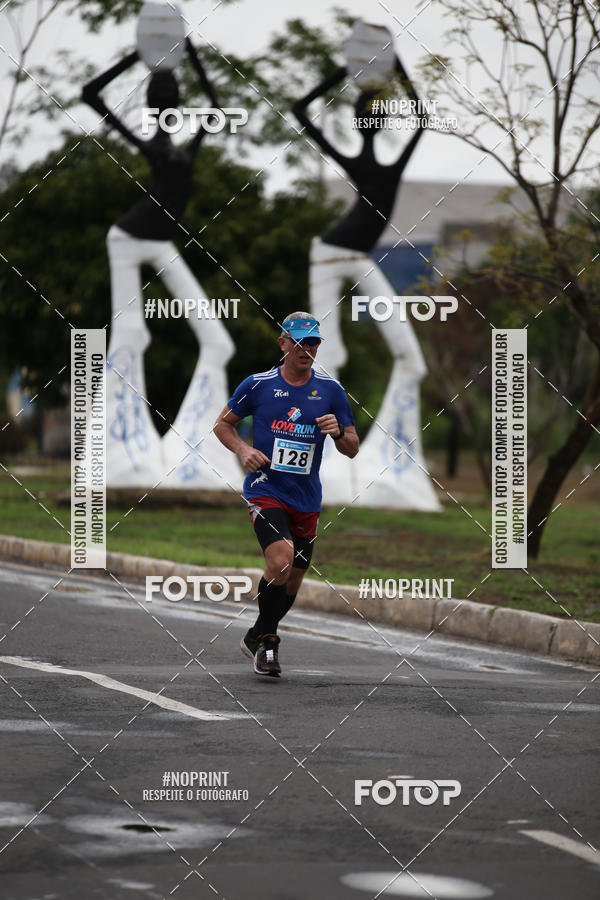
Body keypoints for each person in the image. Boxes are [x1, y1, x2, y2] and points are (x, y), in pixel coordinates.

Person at [82, 40, 237, 488]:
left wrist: (182, 51)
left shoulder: (185, 144)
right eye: (163, 96)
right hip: (129, 239)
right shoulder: (154, 145)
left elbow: (216, 105)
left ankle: (194, 456)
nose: (170, 102)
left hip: (160, 241)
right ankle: (119, 452)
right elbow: (91, 94)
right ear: (154, 104)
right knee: (131, 334)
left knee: (218, 341)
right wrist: (141, 55)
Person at [213, 312, 359, 677]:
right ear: (283, 344)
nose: (305, 349)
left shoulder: (331, 391)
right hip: (265, 489)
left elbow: (353, 448)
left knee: (293, 579)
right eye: (297, 341)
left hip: (306, 497)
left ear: (318, 346)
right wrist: (243, 451)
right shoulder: (258, 385)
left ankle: (255, 635)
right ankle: (269, 641)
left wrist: (339, 432)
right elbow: (222, 425)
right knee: (281, 560)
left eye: (312, 342)